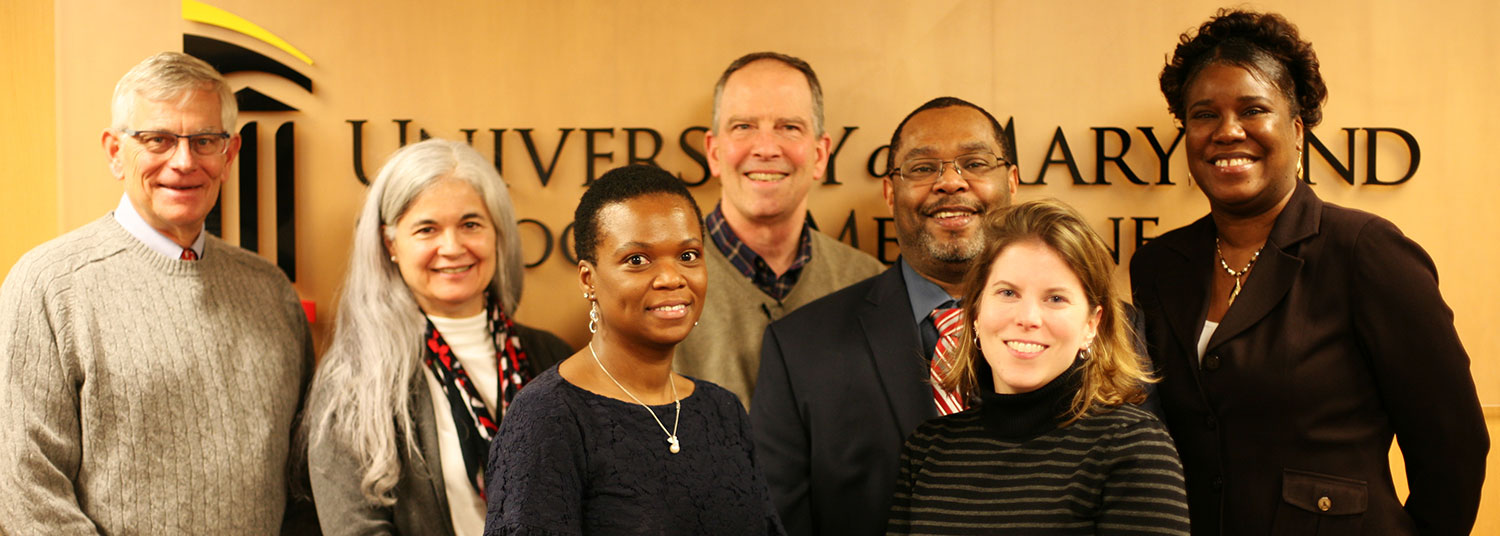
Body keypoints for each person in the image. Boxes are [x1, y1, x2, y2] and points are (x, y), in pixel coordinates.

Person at [1132, 9, 1488, 534]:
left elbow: (1452, 446)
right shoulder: (1159, 264)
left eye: (1253, 109)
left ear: (1296, 130)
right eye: (1204, 114)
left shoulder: (1367, 252)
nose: (1227, 132)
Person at [0, 52, 314, 533]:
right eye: (157, 139)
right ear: (114, 151)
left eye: (204, 140)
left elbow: (301, 482)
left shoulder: (271, 292)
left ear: (229, 156)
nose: (183, 162)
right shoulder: (47, 285)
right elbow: (27, 491)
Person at [753, 97, 1018, 536]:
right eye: (921, 168)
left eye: (974, 162)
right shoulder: (798, 349)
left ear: (1011, 181)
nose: (950, 182)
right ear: (890, 192)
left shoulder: (1100, 332)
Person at [483, 164, 783, 535]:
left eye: (688, 255)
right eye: (637, 260)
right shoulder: (549, 418)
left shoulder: (723, 412)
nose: (672, 277)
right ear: (588, 279)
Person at [304, 139, 572, 536]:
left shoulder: (553, 357)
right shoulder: (354, 378)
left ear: (497, 232)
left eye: (470, 224)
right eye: (427, 228)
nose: (452, 247)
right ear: (390, 243)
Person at [887, 199, 1189, 534]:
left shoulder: (1132, 446)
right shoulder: (928, 449)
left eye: (1055, 298)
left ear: (1091, 324)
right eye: (1008, 293)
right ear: (975, 313)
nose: (1028, 318)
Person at [673, 52, 885, 407]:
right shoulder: (658, 288)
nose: (767, 148)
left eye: (789, 127)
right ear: (713, 153)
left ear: (820, 155)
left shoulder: (870, 287)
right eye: (743, 127)